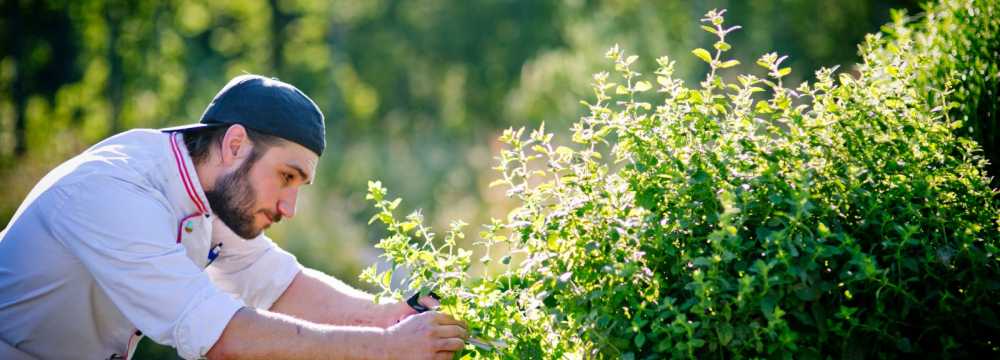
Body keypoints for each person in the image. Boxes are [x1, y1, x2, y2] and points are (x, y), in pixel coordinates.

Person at [0, 75, 467, 360]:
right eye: (286, 176)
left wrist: (391, 317)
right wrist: (387, 351)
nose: (289, 208)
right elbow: (222, 337)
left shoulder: (208, 191)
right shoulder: (114, 193)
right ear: (235, 145)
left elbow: (280, 286)